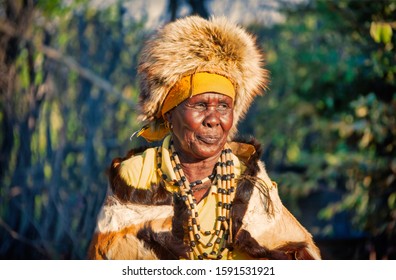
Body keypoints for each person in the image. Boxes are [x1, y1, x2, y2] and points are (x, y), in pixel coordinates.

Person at [87, 15, 321, 260]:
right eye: (199, 105)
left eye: (223, 106)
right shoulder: (135, 176)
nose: (213, 119)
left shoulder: (249, 181)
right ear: (169, 116)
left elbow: (295, 255)